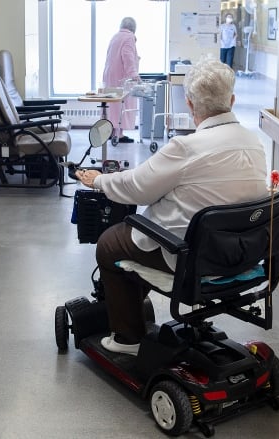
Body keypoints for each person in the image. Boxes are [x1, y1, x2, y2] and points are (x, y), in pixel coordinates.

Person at [77, 59, 269, 355]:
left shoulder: (186, 148)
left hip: (192, 260)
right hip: (240, 254)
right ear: (231, 100)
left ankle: (128, 339)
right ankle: (133, 307)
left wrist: (101, 180)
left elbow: (137, 188)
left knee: (109, 243)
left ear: (190, 105)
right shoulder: (254, 143)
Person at [102, 17, 141, 143]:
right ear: (133, 28)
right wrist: (134, 75)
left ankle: (113, 132)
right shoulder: (129, 38)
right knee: (122, 105)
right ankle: (119, 135)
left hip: (109, 76)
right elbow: (128, 57)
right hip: (121, 77)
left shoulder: (115, 36)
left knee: (113, 105)